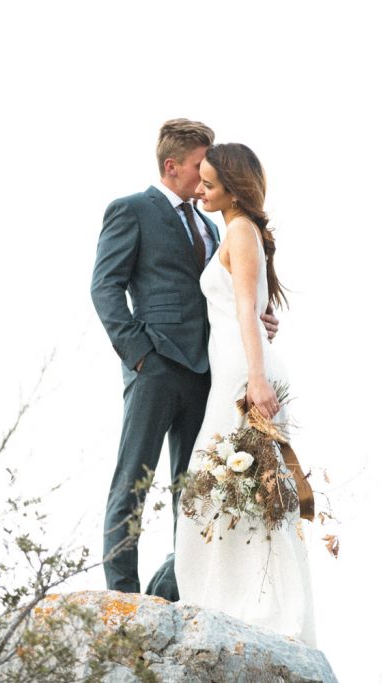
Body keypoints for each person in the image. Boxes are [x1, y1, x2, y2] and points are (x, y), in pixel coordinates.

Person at [91, 120, 279, 601]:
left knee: (193, 491)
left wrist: (258, 321)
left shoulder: (214, 224)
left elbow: (227, 296)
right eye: (200, 166)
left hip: (205, 374)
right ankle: (124, 597)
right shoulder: (132, 210)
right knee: (133, 480)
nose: (207, 175)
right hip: (154, 367)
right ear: (172, 167)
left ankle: (180, 591)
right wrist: (139, 356)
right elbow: (104, 288)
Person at [174, 142, 315, 645]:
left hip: (242, 373)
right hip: (236, 366)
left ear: (234, 189)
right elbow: (250, 309)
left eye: (209, 184)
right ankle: (234, 595)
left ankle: (253, 603)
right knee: (234, 489)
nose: (200, 190)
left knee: (236, 489)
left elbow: (242, 315)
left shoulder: (238, 230)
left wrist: (256, 378)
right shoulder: (238, 231)